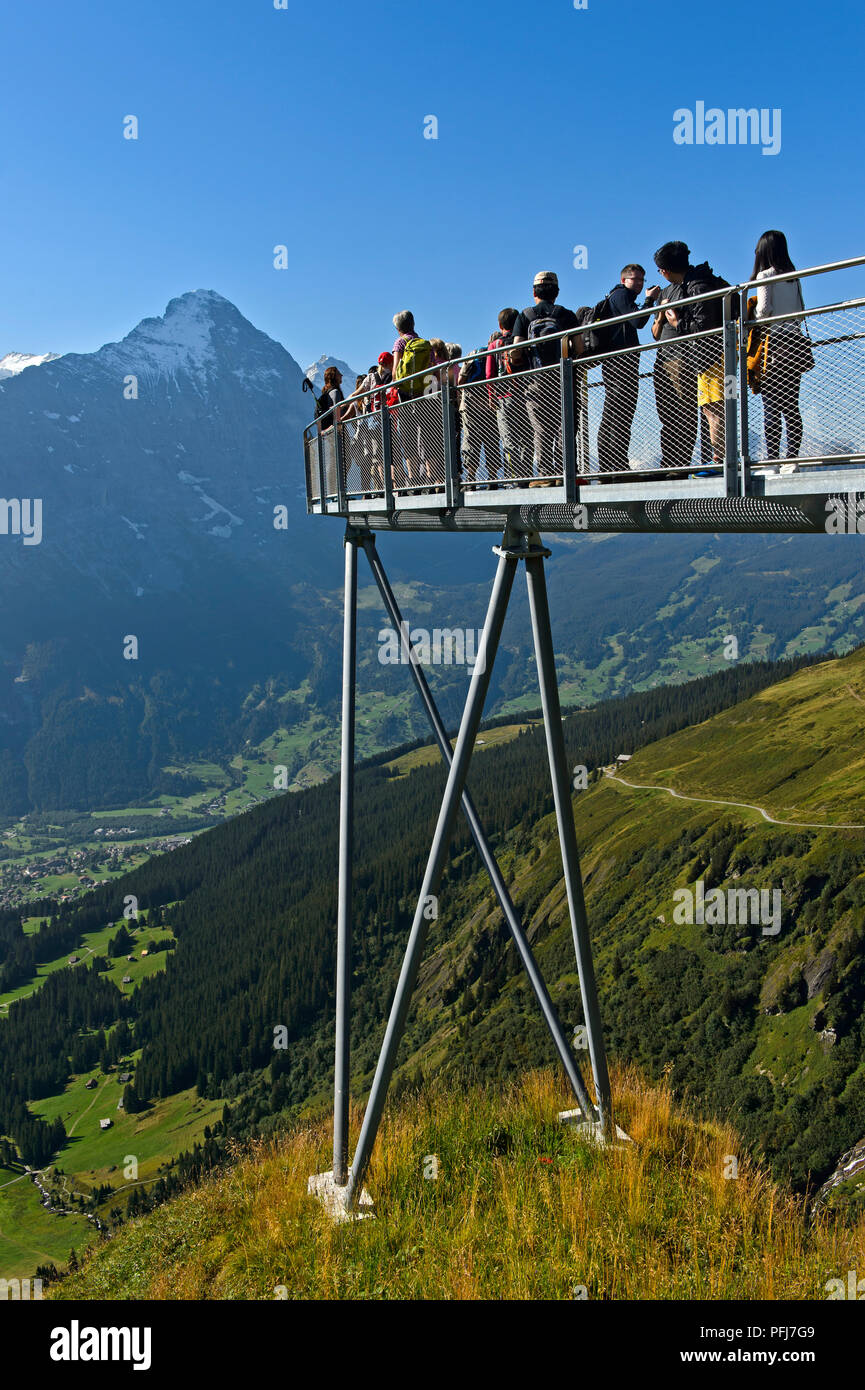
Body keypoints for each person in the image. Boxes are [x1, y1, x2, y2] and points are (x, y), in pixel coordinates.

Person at [656, 245, 729, 468]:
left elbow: (702, 326)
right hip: (717, 355)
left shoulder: (696, 287)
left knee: (713, 409)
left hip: (711, 358)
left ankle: (720, 461)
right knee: (714, 409)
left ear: (665, 271)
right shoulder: (702, 280)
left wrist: (677, 323)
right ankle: (719, 460)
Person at [512, 271, 579, 486]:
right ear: (557, 292)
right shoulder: (566, 315)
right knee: (565, 425)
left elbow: (515, 351)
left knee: (541, 428)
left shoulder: (525, 316)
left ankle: (545, 475)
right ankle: (565, 472)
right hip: (563, 378)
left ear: (534, 292)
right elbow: (578, 347)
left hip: (536, 381)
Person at [596, 265, 660, 473]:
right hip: (620, 365)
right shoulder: (621, 295)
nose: (640, 284)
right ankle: (616, 464)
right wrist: (649, 300)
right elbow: (638, 321)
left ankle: (610, 465)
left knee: (615, 413)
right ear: (624, 280)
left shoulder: (621, 297)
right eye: (635, 279)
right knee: (620, 413)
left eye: (642, 280)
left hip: (619, 364)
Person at [751, 230, 806, 464]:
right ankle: (791, 459)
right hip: (794, 345)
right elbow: (801, 313)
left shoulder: (765, 275)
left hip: (773, 347)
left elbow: (764, 311)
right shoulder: (795, 277)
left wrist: (750, 312)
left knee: (772, 406)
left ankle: (772, 461)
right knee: (791, 405)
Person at [651, 243, 699, 471]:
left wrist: (675, 320)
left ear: (666, 269)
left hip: (683, 358)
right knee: (667, 415)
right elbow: (655, 334)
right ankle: (668, 462)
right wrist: (661, 316)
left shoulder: (690, 287)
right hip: (663, 358)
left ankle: (681, 465)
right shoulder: (666, 292)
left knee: (685, 412)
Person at [486, 308, 530, 483]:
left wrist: (491, 396)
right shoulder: (522, 341)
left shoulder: (493, 346)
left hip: (504, 397)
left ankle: (515, 477)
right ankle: (527, 474)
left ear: (499, 325)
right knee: (526, 436)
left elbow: (489, 375)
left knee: (509, 438)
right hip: (525, 394)